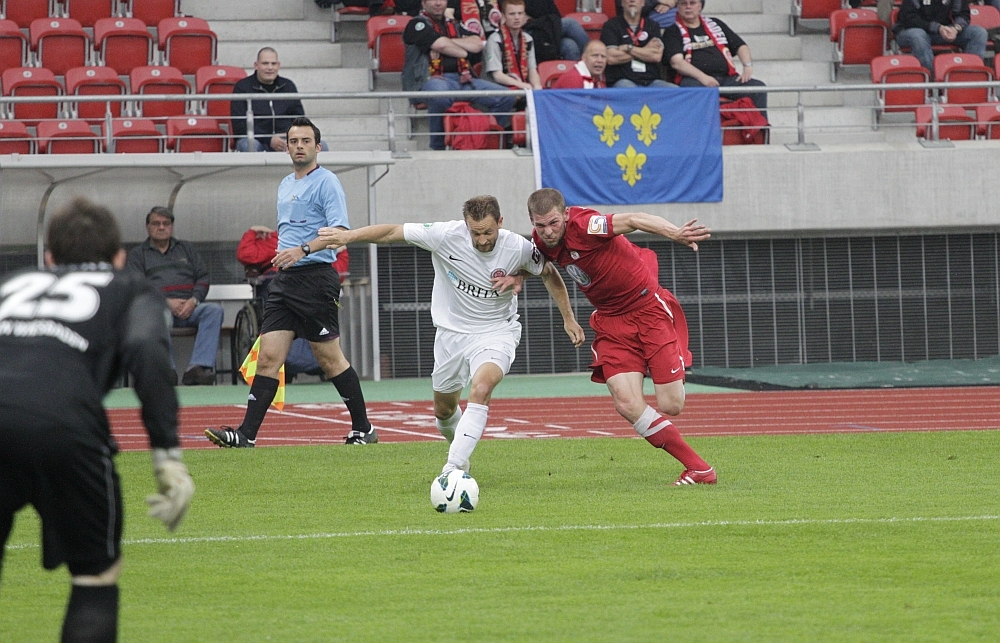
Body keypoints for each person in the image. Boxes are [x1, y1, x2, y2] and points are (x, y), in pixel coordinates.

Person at [0, 198, 194, 643]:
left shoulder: (11, 283)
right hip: (65, 428)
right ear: (120, 258)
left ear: (50, 258)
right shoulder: (130, 287)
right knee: (94, 576)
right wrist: (167, 457)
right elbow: (148, 354)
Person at [319, 195, 584, 476]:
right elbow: (392, 232)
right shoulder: (445, 235)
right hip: (451, 335)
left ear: (500, 222)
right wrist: (348, 236)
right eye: (476, 233)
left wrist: (568, 318)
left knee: (481, 388)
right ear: (465, 225)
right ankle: (462, 459)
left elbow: (548, 272)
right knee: (444, 412)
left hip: (496, 332)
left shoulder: (517, 247)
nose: (482, 240)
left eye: (488, 232)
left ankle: (453, 468)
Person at [206, 117, 377, 448]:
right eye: (294, 141)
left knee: (329, 360)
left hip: (316, 279)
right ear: (287, 148)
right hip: (284, 282)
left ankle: (364, 429)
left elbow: (341, 232)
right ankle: (245, 435)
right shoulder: (285, 184)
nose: (299, 146)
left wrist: (303, 250)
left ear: (317, 147)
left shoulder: (327, 182)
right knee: (268, 357)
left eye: (305, 141)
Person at [526, 188, 716, 486]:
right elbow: (545, 271)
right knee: (626, 402)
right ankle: (700, 469)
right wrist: (567, 317)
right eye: (540, 225)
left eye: (553, 223)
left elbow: (635, 219)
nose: (548, 231)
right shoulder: (540, 241)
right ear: (532, 222)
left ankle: (671, 361)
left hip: (648, 309)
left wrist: (675, 233)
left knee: (671, 405)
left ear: (565, 214)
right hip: (611, 322)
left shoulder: (586, 225)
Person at [126, 206, 223, 386]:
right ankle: (166, 370)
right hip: (158, 309)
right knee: (157, 313)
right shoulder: (138, 255)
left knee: (214, 311)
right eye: (156, 223)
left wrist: (194, 301)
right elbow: (137, 286)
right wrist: (165, 302)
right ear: (147, 227)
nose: (161, 227)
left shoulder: (186, 249)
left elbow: (203, 277)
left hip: (190, 307)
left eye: (166, 223)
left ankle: (197, 369)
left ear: (171, 226)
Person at [403, 0, 517, 150]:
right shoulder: (416, 24)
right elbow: (441, 45)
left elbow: (477, 43)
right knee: (439, 94)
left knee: (506, 97)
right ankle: (437, 147)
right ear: (423, 3)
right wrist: (462, 50)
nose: (438, 3)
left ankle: (483, 140)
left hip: (463, 79)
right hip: (430, 80)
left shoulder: (455, 24)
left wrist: (447, 42)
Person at [663, 0, 767, 114]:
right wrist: (703, 78)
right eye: (683, 3)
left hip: (726, 78)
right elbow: (677, 62)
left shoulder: (715, 24)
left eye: (692, 3)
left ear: (700, 6)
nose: (688, 7)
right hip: (695, 80)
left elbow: (740, 46)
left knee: (757, 88)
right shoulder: (672, 31)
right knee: (695, 90)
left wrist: (747, 66)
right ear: (677, 7)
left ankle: (759, 125)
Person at [230, 47, 329, 153]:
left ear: (278, 65)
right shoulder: (242, 87)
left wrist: (290, 135)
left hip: (286, 139)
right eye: (265, 63)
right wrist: (269, 139)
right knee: (248, 145)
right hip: (257, 139)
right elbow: (239, 125)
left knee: (321, 145)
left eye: (273, 64)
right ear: (256, 65)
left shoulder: (288, 86)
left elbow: (299, 119)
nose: (270, 67)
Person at [893, 0, 987, 74]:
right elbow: (909, 18)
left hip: (942, 31)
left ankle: (970, 78)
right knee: (918, 35)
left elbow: (963, 14)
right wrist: (937, 28)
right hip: (909, 30)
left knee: (978, 33)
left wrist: (956, 28)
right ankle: (932, 81)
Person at [600, 0, 674, 88]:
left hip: (651, 81)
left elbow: (656, 56)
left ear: (643, 3)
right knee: (630, 90)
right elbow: (611, 58)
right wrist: (645, 51)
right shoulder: (611, 26)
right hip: (623, 80)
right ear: (622, 3)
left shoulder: (652, 25)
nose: (632, 1)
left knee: (675, 90)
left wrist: (629, 48)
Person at [484, 0, 542, 90]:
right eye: (512, 14)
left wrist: (537, 86)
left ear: (525, 15)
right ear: (503, 16)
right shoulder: (495, 40)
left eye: (520, 13)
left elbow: (532, 70)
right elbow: (497, 75)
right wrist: (522, 85)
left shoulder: (528, 39)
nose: (517, 17)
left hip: (521, 87)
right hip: (496, 89)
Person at [524, 0, 590, 61]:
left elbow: (556, 16)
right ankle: (592, 53)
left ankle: (582, 68)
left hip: (548, 28)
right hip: (533, 31)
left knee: (570, 45)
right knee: (570, 23)